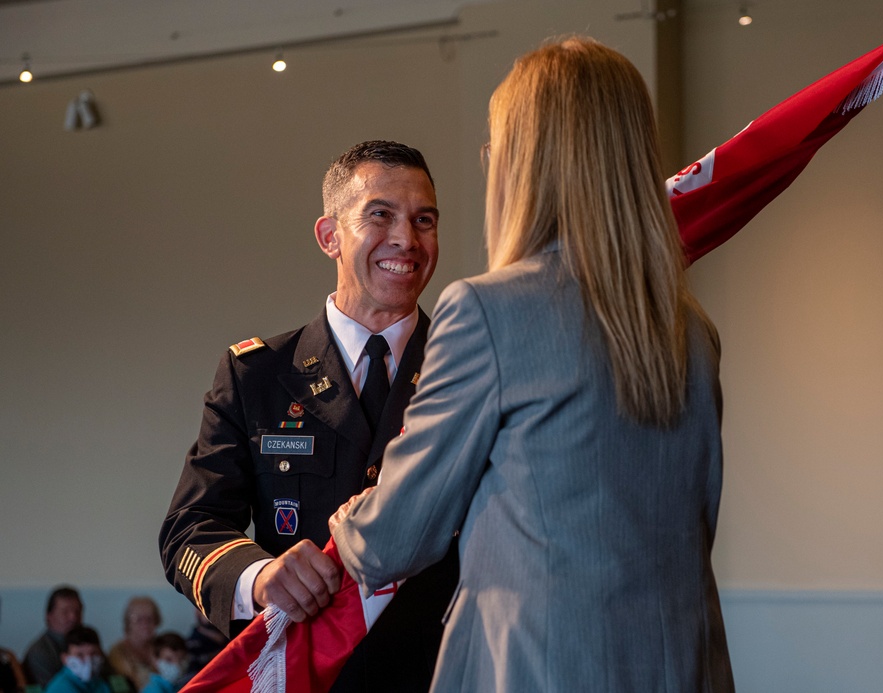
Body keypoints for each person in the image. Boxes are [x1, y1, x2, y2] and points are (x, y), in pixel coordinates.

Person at [331, 37, 735, 692]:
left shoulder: (486, 312)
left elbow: (393, 542)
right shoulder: (693, 331)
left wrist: (349, 521)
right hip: (681, 667)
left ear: (522, 160)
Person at [159, 140, 458, 692]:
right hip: (306, 677)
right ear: (329, 237)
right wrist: (262, 575)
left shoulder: (471, 367)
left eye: (424, 220)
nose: (406, 240)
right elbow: (189, 531)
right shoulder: (257, 374)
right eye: (380, 215)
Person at [21, 586, 83, 688]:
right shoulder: (39, 652)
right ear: (49, 616)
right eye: (65, 612)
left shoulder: (88, 646)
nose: (73, 617)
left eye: (78, 611)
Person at [107, 597, 160, 692]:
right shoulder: (117, 653)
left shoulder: (163, 647)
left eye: (149, 619)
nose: (145, 624)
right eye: (138, 619)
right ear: (128, 623)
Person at [44, 626, 110, 693]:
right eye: (80, 655)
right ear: (65, 658)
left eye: (93, 654)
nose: (88, 660)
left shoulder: (100, 683)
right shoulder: (60, 688)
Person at [181, 611, 225, 682]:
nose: (198, 613)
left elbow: (222, 640)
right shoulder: (195, 630)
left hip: (214, 669)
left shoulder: (219, 630)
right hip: (195, 671)